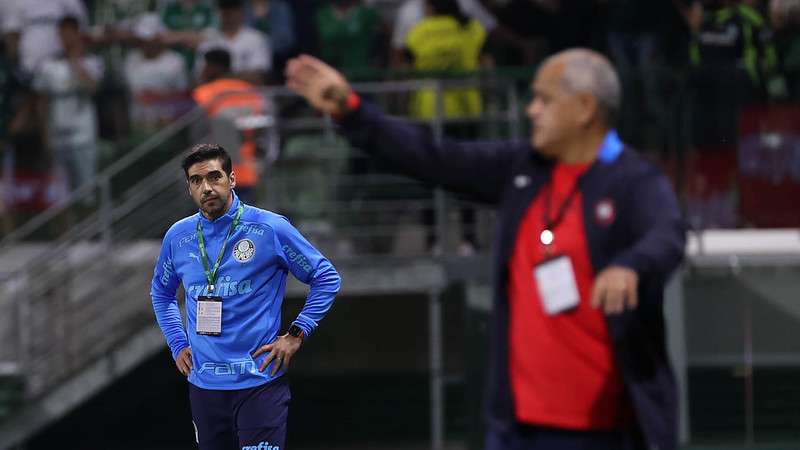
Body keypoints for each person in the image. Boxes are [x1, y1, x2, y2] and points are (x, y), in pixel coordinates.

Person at [286, 49, 686, 449]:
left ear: (585, 108)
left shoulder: (633, 180)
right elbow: (434, 157)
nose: (531, 110)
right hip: (516, 429)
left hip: (605, 431)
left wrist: (632, 266)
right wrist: (352, 111)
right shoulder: (523, 169)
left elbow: (668, 234)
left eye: (544, 100)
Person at [150, 143, 341, 450]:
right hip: (205, 388)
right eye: (197, 181)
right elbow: (161, 292)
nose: (206, 187)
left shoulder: (269, 229)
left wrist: (296, 334)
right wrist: (177, 342)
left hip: (259, 384)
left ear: (232, 179)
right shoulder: (178, 237)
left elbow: (326, 278)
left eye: (214, 177)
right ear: (189, 188)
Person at [33, 15, 103, 193]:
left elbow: (93, 87)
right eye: (62, 33)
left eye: (70, 33)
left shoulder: (92, 60)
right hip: (57, 135)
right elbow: (41, 102)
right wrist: (45, 137)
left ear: (78, 33)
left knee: (87, 189)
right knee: (60, 192)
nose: (66, 37)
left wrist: (74, 60)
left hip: (83, 134)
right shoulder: (48, 65)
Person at [192, 49, 266, 203]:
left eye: (205, 66)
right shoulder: (250, 91)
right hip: (249, 169)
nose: (202, 71)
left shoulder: (204, 93)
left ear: (214, 67)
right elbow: (264, 129)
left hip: (215, 174)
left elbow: (196, 135)